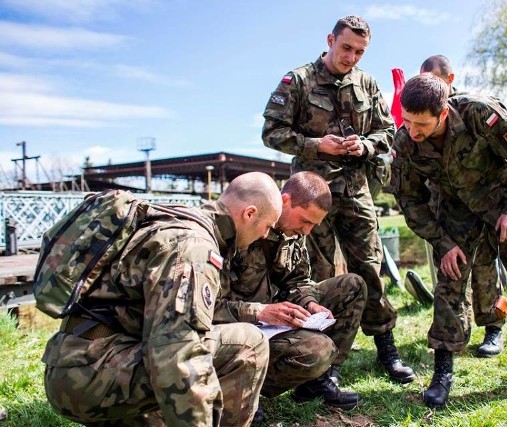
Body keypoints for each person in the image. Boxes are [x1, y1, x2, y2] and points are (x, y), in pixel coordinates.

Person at [42, 172, 283, 427]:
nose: (266, 235)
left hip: (74, 365)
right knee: (248, 343)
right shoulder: (195, 246)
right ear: (250, 213)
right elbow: (178, 354)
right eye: (267, 226)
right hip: (89, 376)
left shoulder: (176, 219)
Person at [391, 74, 507, 408]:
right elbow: (409, 200)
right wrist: (442, 242)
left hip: (504, 201)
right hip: (456, 211)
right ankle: (443, 372)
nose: (413, 132)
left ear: (443, 113)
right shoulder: (406, 142)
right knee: (450, 282)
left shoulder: (480, 113)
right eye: (407, 121)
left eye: (422, 124)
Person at [262, 15, 415, 384]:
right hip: (312, 196)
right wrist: (317, 145)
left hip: (356, 190)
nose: (352, 57)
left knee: (369, 267)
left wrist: (365, 144)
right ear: (330, 40)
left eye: (360, 51)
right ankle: (325, 363)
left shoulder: (367, 83)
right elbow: (271, 132)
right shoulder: (298, 80)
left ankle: (386, 348)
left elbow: (387, 131)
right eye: (346, 48)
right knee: (319, 274)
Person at [215, 171, 367, 423]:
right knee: (316, 350)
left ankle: (318, 382)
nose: (307, 231)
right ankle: (241, 392)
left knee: (352, 286)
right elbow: (209, 307)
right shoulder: (237, 228)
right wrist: (260, 312)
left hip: (272, 319)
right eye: (305, 221)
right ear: (285, 201)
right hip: (235, 327)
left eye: (313, 226)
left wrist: (309, 302)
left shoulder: (294, 234)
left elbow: (296, 281)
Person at [420, 54, 507, 358]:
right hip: (446, 206)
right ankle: (455, 333)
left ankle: (494, 328)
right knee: (452, 271)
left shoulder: (472, 112)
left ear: (450, 79)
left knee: (485, 266)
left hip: (483, 203)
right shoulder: (423, 120)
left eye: (436, 80)